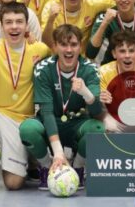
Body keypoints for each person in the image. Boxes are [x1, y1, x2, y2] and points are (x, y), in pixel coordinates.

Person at [0, 2, 52, 198]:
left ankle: (16, 152)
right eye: (9, 22)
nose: (14, 27)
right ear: (1, 25)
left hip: (20, 119)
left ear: (27, 25)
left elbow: (56, 60)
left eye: (19, 22)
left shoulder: (39, 49)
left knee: (14, 184)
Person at [23, 25, 105, 190]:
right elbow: (46, 112)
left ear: (80, 46)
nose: (69, 50)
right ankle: (47, 167)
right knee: (28, 129)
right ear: (54, 46)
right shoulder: (43, 68)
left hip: (77, 124)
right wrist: (58, 153)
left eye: (73, 44)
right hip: (50, 122)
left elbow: (96, 111)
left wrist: (86, 93)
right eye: (63, 44)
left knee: (97, 129)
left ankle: (79, 167)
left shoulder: (90, 69)